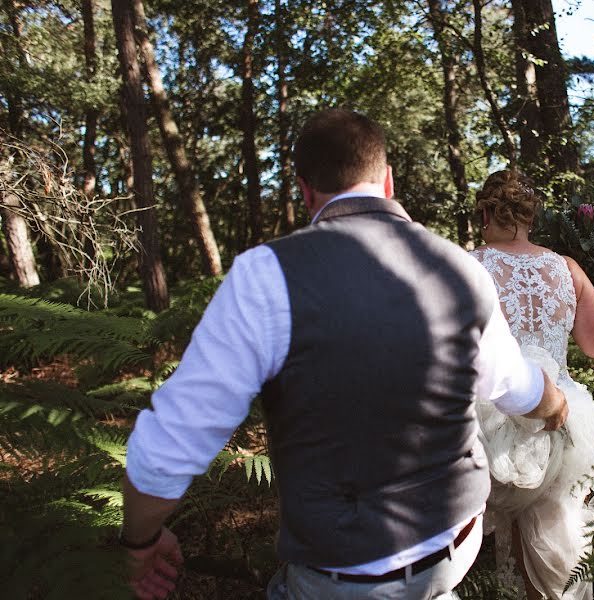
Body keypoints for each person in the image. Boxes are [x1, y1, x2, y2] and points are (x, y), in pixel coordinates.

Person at [119, 109, 571, 600]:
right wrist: (557, 406)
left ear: (305, 189)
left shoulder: (266, 276)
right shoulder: (459, 268)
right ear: (388, 181)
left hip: (343, 570)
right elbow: (514, 385)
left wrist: (139, 540)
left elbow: (169, 446)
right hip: (452, 547)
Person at [470, 170, 594, 600]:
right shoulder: (565, 267)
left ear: (484, 213)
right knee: (560, 533)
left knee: (512, 542)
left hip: (495, 418)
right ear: (532, 217)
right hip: (565, 414)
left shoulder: (472, 265)